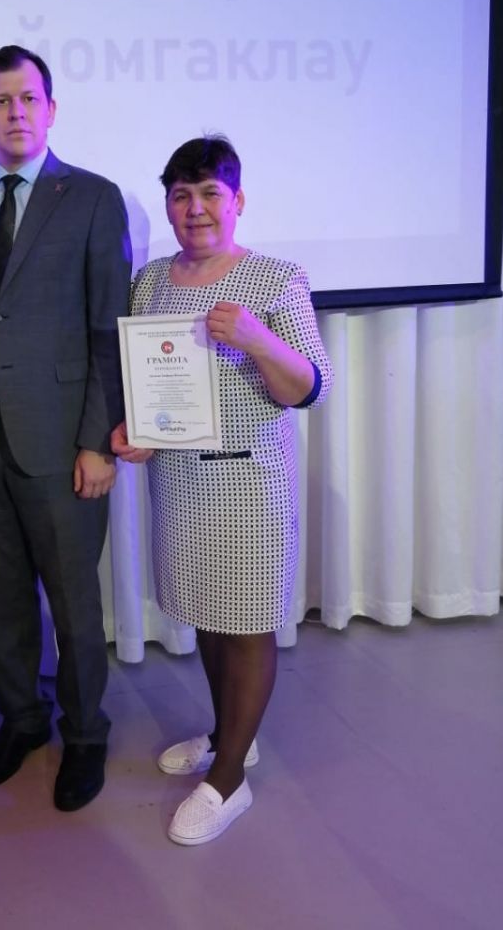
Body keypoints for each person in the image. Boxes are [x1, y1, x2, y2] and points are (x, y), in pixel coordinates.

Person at [111, 135, 332, 845]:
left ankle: (230, 778)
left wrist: (259, 340)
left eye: (211, 193)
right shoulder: (151, 280)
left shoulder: (274, 279)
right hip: (178, 480)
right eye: (181, 195)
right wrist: (135, 430)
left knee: (247, 624)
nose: (196, 208)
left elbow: (310, 388)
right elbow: (148, 381)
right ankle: (228, 735)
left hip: (248, 478)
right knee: (209, 614)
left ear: (238, 201)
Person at [0, 45, 131, 811]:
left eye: (28, 99)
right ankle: (22, 719)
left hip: (61, 441)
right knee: (2, 598)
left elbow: (107, 327)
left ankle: (85, 734)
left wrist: (97, 440)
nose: (15, 112)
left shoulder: (94, 198)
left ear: (51, 109)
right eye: (0, 101)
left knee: (75, 604)